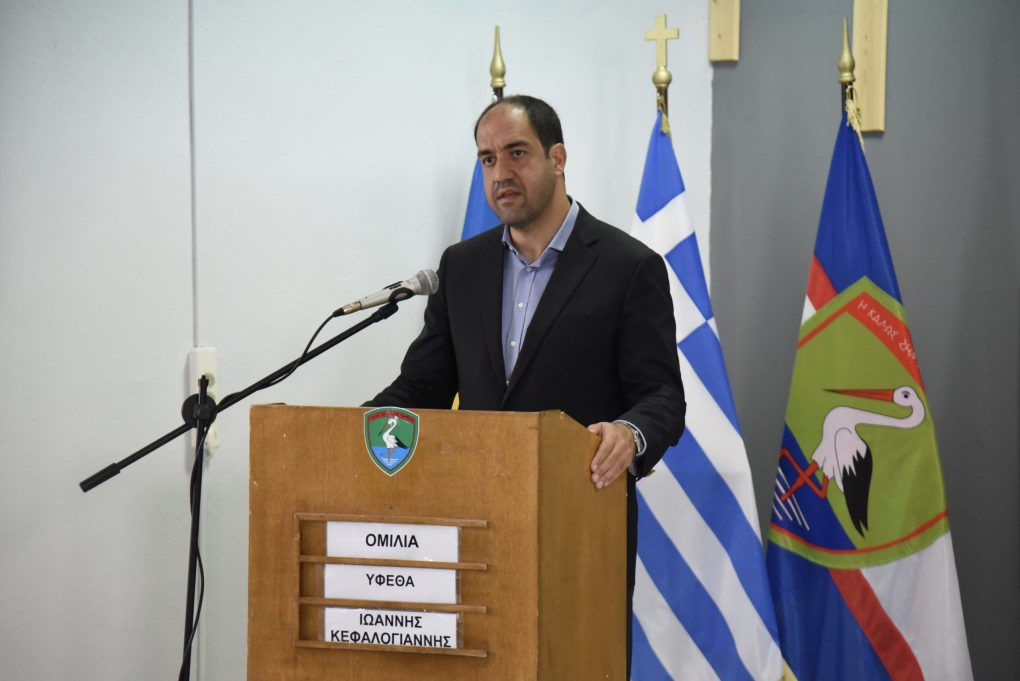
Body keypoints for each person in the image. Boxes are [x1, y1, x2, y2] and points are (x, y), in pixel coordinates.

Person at [367, 94, 685, 670]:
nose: (500, 174)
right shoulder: (462, 267)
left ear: (557, 158)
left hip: (580, 522)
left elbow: (661, 395)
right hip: (473, 522)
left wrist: (629, 433)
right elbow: (421, 389)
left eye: (517, 153)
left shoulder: (627, 266)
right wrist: (345, 432)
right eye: (487, 159)